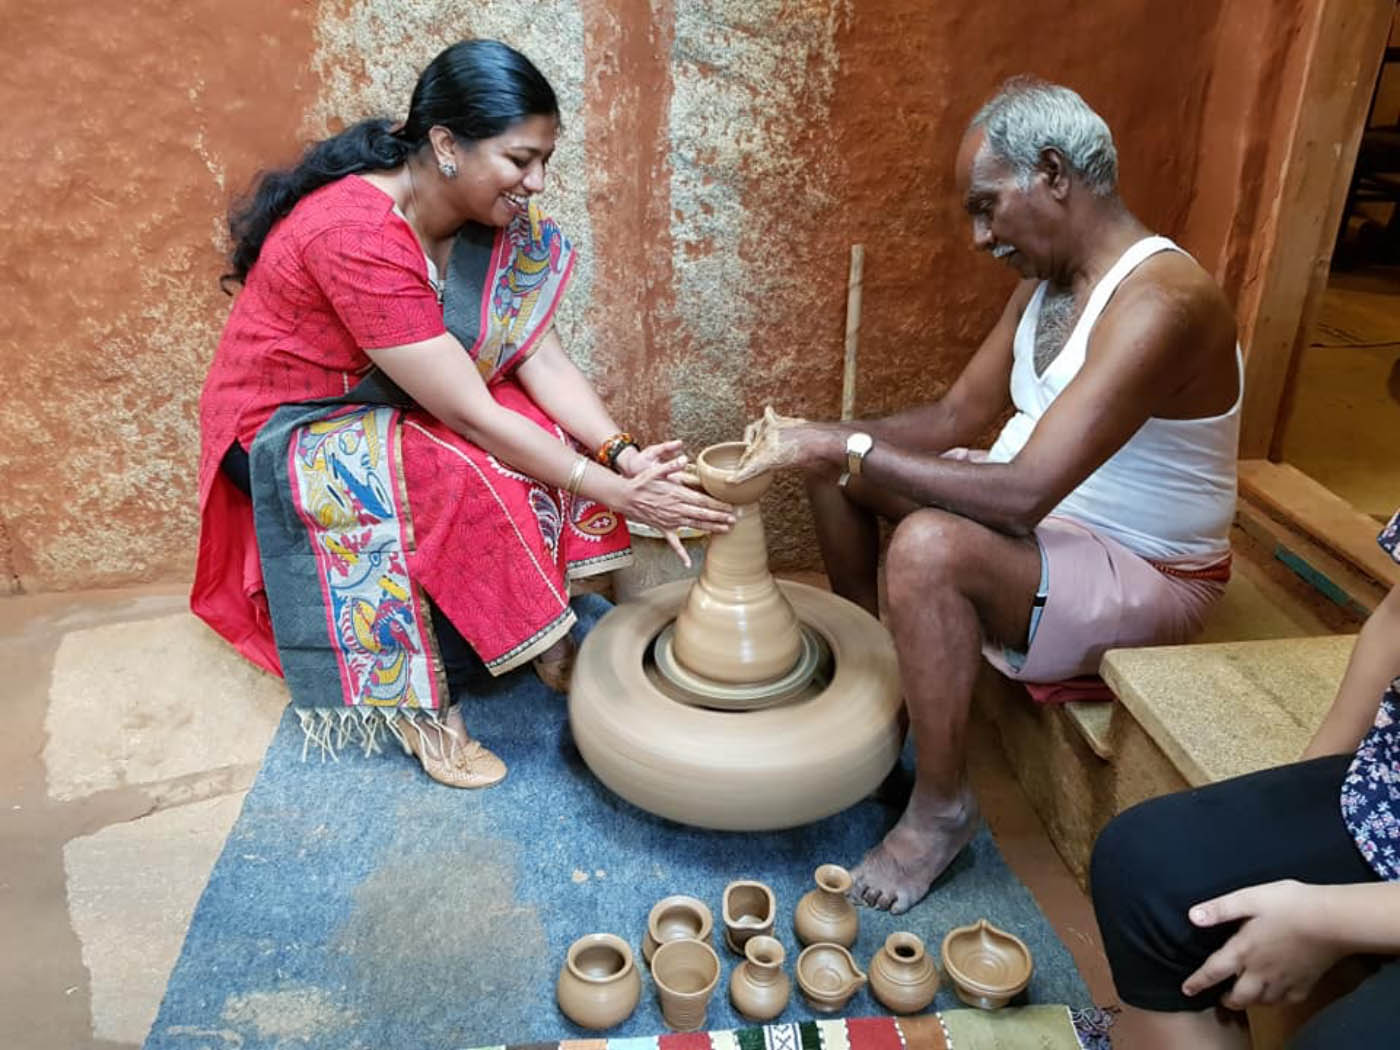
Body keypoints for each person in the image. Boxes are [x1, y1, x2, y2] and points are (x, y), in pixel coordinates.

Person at [734, 76, 1241, 913]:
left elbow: (1022, 495)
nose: (978, 236)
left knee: (928, 543)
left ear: (1052, 173)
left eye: (986, 207)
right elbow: (953, 415)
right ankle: (886, 694)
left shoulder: (1163, 302)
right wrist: (816, 436)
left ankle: (942, 808)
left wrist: (844, 439)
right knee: (837, 468)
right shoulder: (1046, 283)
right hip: (1050, 528)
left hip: (1146, 570)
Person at [193, 40, 733, 789]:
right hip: (285, 426)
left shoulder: (492, 218)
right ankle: (418, 706)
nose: (537, 182)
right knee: (463, 468)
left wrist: (620, 457)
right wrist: (617, 496)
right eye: (519, 160)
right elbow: (473, 417)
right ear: (446, 145)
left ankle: (544, 628)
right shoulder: (354, 232)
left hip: (393, 392)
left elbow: (540, 358)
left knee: (542, 431)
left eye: (545, 159)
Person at [1089, 512, 1400, 1049]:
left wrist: (1333, 916)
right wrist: (1298, 797)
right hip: (1388, 796)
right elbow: (1397, 618)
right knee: (1145, 862)